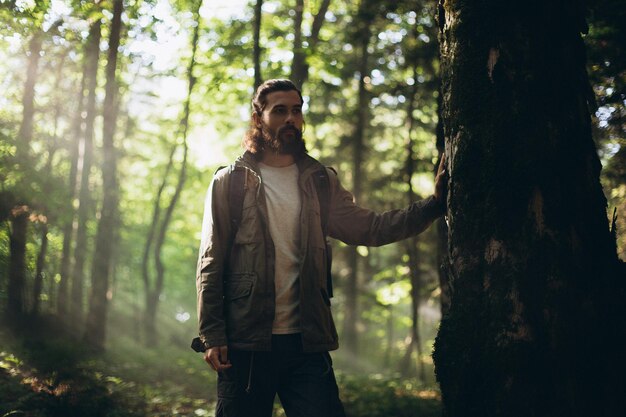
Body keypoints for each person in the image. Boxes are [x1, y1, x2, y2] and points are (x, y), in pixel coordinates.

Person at [196, 79, 447, 417]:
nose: (290, 119)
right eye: (280, 110)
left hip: (306, 343)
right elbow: (211, 261)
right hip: (246, 345)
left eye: (297, 111)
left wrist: (433, 205)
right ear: (258, 118)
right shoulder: (231, 182)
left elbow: (370, 228)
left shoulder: (319, 180)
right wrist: (212, 334)